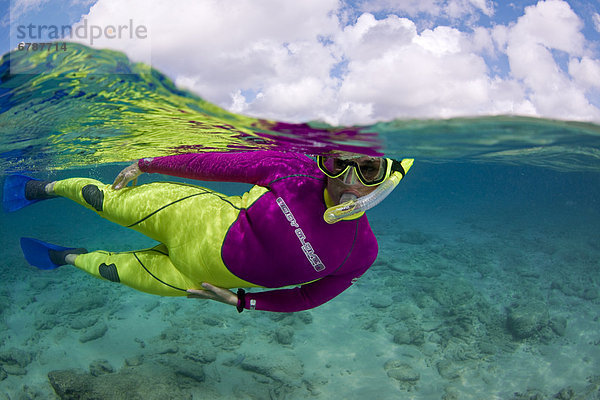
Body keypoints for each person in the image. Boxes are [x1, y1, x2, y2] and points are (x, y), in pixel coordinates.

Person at [3, 151, 412, 312]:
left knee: (110, 270)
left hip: (195, 281)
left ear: (392, 177)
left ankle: (62, 256)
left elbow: (309, 296)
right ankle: (38, 189)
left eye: (369, 169)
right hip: (190, 216)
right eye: (336, 161)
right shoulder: (296, 171)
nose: (345, 179)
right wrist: (147, 164)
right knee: (105, 201)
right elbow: (219, 164)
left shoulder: (361, 254)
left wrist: (243, 302)